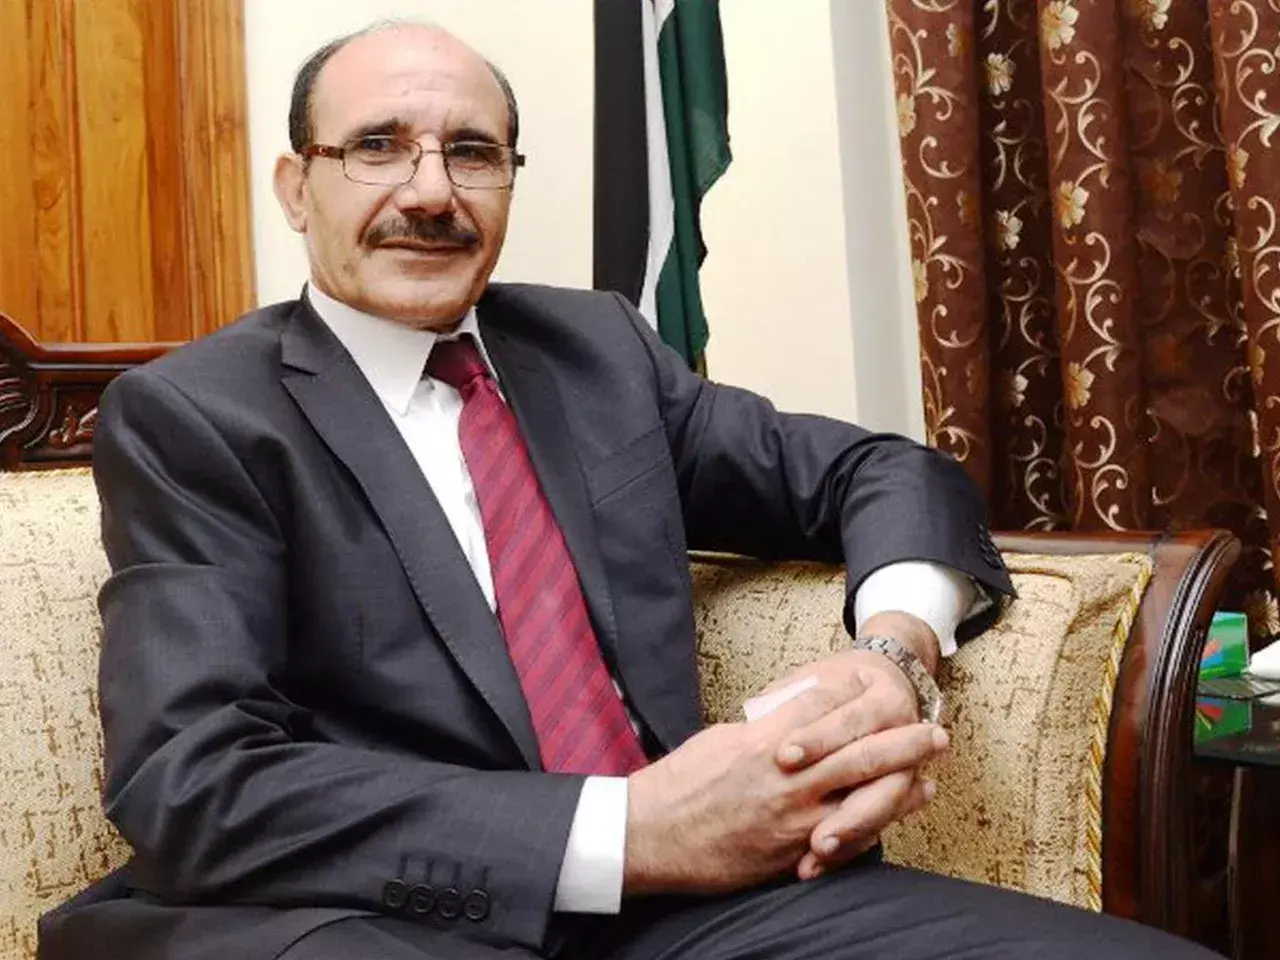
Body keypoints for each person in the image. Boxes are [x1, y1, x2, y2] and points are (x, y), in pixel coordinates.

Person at [39, 20, 1219, 960]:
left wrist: (892, 653)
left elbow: (881, 470)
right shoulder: (201, 415)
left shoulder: (594, 353)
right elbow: (195, 780)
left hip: (692, 910)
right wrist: (631, 830)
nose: (430, 190)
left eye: (471, 153)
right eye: (377, 146)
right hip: (383, 916)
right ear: (298, 187)